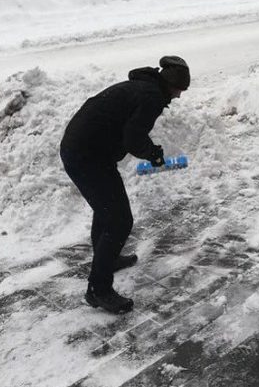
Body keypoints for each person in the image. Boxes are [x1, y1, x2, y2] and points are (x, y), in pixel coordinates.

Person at [60, 56, 190, 314]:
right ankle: (98, 290)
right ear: (172, 85)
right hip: (86, 157)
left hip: (86, 151)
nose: (178, 97)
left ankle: (106, 260)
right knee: (119, 220)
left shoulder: (144, 87)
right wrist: (152, 153)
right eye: (179, 91)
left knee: (107, 212)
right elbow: (133, 139)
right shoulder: (151, 97)